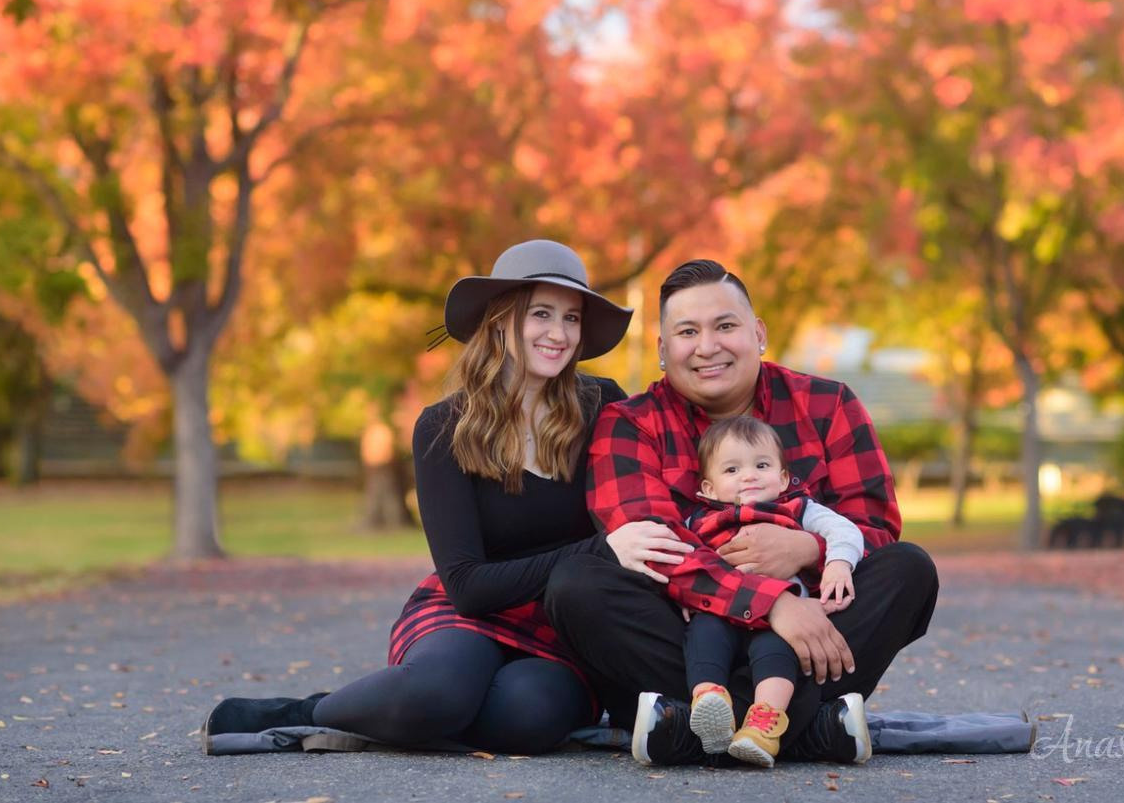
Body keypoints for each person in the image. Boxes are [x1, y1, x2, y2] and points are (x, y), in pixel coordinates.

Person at [203, 240, 687, 755]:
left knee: (530, 719)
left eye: (571, 318)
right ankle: (303, 714)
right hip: (468, 615)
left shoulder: (601, 406)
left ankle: (392, 721)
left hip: (564, 625)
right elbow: (468, 587)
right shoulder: (443, 427)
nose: (559, 333)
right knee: (437, 694)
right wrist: (603, 550)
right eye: (540, 314)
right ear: (500, 319)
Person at [543, 258, 939, 766]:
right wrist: (774, 603)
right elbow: (655, 546)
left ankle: (688, 732)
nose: (707, 346)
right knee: (576, 584)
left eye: (725, 326)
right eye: (688, 332)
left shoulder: (829, 404)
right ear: (664, 351)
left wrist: (808, 549)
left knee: (908, 569)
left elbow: (875, 527)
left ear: (758, 333)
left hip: (806, 629)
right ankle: (808, 728)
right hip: (687, 641)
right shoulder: (629, 424)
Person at [679, 414, 864, 767]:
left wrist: (838, 563)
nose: (748, 475)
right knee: (703, 636)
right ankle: (709, 699)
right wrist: (682, 594)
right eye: (732, 470)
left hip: (781, 620)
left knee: (778, 653)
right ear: (708, 489)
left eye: (761, 465)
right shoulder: (698, 521)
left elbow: (846, 531)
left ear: (781, 478)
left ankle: (764, 723)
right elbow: (681, 560)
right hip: (719, 613)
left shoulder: (797, 508)